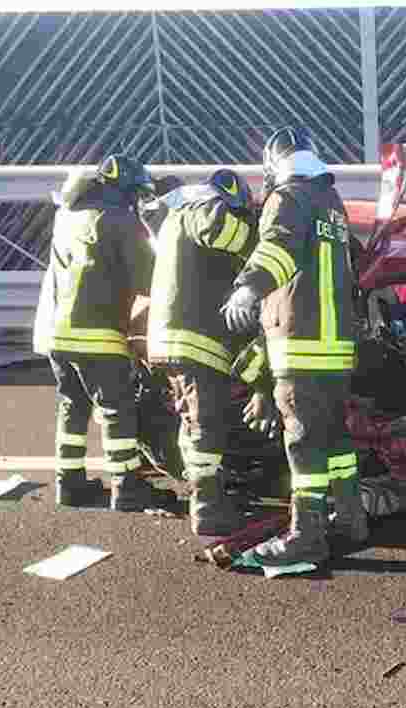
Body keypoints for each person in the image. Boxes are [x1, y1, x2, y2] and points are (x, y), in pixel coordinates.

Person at [222, 125, 369, 567]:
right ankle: (351, 521)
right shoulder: (331, 203)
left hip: (300, 343)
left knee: (303, 443)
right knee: (335, 438)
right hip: (336, 347)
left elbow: (279, 249)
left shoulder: (287, 198)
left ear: (274, 164)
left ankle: (306, 537)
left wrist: (247, 288)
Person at [144, 168, 277, 536]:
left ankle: (206, 495)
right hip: (194, 340)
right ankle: (207, 508)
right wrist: (264, 236)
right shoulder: (199, 210)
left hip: (174, 338)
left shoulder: (175, 220)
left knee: (194, 421)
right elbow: (226, 231)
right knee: (206, 424)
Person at [33, 153, 158, 510]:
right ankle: (127, 486)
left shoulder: (68, 216)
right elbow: (149, 279)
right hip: (98, 336)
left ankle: (69, 483)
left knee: (73, 405)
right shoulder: (121, 221)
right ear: (126, 190)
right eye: (136, 193)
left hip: (57, 334)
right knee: (117, 410)